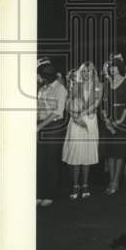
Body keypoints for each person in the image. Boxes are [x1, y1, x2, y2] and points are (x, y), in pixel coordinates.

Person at [61, 62, 102, 200]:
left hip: (89, 120)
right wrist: (75, 116)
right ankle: (75, 185)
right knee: (75, 153)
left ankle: (85, 185)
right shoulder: (75, 85)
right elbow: (67, 102)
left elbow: (96, 103)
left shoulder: (98, 85)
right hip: (75, 121)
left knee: (87, 154)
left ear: (93, 73)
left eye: (89, 71)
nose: (86, 74)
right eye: (84, 71)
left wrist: (81, 114)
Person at [101, 56, 126, 195]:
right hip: (108, 120)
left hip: (122, 119)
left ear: (120, 67)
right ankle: (111, 180)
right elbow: (103, 104)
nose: (111, 68)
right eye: (110, 66)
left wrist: (120, 121)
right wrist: (106, 120)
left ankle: (115, 182)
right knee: (110, 153)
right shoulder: (106, 83)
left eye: (114, 66)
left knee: (119, 152)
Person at [36, 59, 68, 206]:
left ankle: (50, 194)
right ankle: (40, 193)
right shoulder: (42, 89)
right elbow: (38, 109)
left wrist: (39, 126)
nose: (37, 78)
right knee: (41, 161)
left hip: (54, 127)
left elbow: (57, 113)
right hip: (41, 126)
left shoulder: (60, 89)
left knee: (52, 161)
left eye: (38, 75)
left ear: (45, 75)